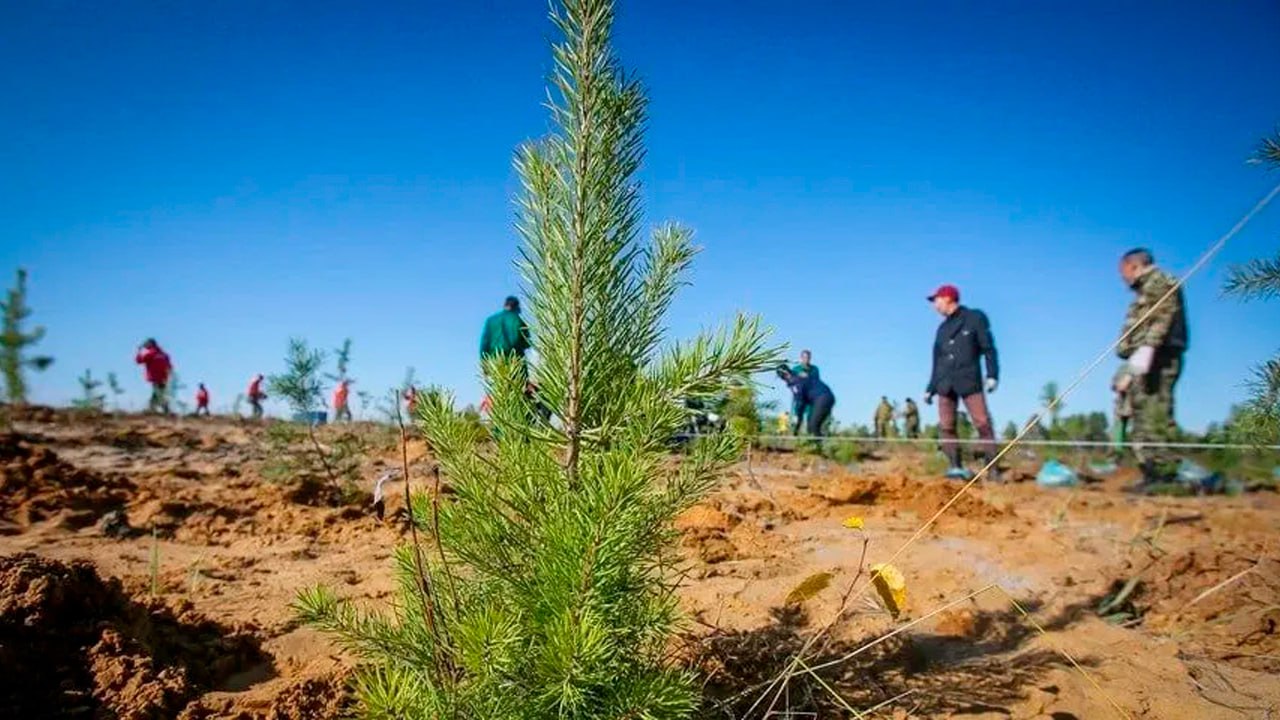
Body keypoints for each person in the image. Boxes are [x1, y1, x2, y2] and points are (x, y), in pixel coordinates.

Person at [1116, 248, 1187, 486]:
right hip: (1144, 360)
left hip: (1159, 360)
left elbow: (1163, 316)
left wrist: (1148, 348)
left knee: (1156, 415)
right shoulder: (1144, 290)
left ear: (1133, 266)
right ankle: (1152, 474)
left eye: (1123, 271)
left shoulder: (1160, 281)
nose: (1122, 278)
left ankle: (1165, 476)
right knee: (1142, 416)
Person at [923, 284, 1000, 479]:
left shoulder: (974, 318)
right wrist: (930, 388)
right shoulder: (941, 329)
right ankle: (955, 468)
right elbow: (937, 361)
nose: (934, 305)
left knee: (982, 422)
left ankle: (992, 469)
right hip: (945, 384)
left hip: (969, 381)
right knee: (947, 426)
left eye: (936, 300)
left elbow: (988, 348)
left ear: (948, 298)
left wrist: (992, 375)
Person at [777, 363, 835, 437]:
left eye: (782, 377)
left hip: (822, 398)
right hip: (823, 398)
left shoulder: (795, 381)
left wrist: (797, 417)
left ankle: (818, 446)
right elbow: (802, 401)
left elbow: (800, 402)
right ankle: (815, 445)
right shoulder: (796, 378)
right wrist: (798, 419)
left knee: (813, 425)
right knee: (811, 426)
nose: (783, 379)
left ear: (785, 375)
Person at [480, 296, 532, 365]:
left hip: (495, 363)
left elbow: (484, 344)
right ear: (516, 307)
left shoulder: (491, 321)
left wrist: (484, 364)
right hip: (516, 363)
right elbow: (527, 343)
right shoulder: (519, 321)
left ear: (505, 305)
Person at [134, 339, 173, 415]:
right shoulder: (164, 354)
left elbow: (138, 361)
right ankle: (159, 409)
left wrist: (138, 351)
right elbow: (170, 366)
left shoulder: (151, 353)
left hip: (155, 377)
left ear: (151, 344)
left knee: (158, 393)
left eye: (147, 344)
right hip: (164, 377)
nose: (145, 346)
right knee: (159, 393)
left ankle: (157, 409)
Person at [789, 350, 819, 434]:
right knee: (797, 417)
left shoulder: (814, 369)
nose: (806, 359)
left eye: (808, 358)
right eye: (804, 357)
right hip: (799, 397)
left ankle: (808, 437)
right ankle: (794, 434)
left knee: (810, 416)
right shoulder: (796, 369)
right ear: (801, 358)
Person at [1111, 365, 1134, 458]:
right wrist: (1118, 385)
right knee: (1117, 431)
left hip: (1137, 406)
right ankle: (1117, 455)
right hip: (1121, 405)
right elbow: (1114, 385)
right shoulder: (1123, 368)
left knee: (1136, 433)